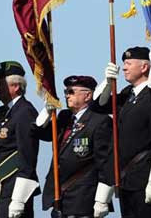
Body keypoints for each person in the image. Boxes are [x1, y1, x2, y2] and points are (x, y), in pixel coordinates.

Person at [92, 46, 151, 218]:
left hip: (146, 177)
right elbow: (98, 106)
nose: (124, 68)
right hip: (125, 178)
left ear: (144, 67)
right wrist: (107, 82)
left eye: (128, 63)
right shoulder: (128, 94)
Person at [32, 75, 114, 218]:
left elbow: (106, 163)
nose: (67, 95)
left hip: (83, 196)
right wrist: (47, 110)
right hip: (60, 195)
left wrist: (102, 199)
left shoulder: (99, 120)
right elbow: (39, 133)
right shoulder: (64, 117)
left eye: (71, 92)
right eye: (66, 92)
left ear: (87, 95)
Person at [0, 61, 40, 218]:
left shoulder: (25, 112)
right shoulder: (1, 113)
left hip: (14, 191)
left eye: (1, 84)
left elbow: (27, 156)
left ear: (16, 86)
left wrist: (19, 198)